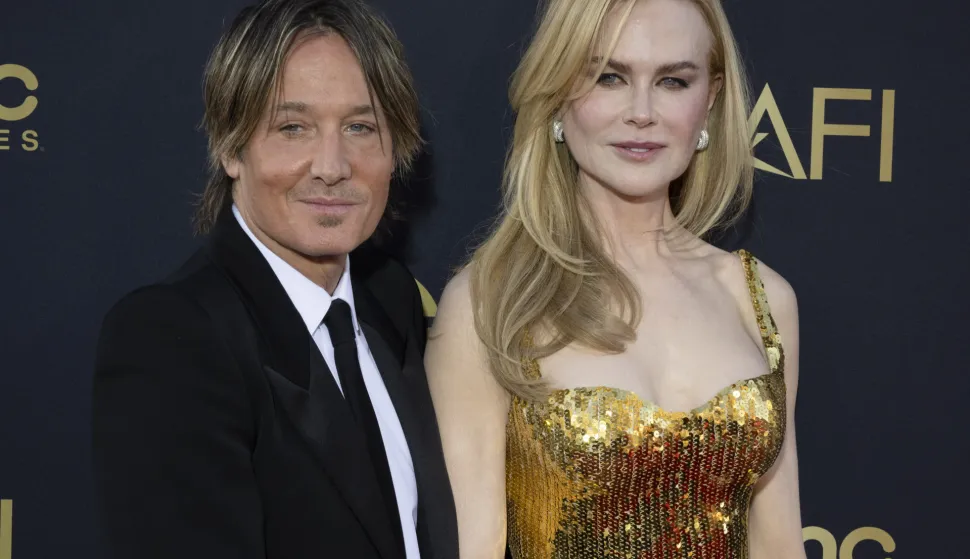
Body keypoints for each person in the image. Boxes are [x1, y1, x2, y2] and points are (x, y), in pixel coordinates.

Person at [426, 0, 806, 557]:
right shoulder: (490, 304)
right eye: (609, 76)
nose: (642, 112)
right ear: (557, 94)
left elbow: (779, 544)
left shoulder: (762, 300)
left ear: (711, 100)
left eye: (674, 81)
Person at [91, 1, 458, 558]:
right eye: (294, 128)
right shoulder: (173, 338)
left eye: (360, 127)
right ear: (229, 146)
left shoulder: (391, 298)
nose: (332, 166)